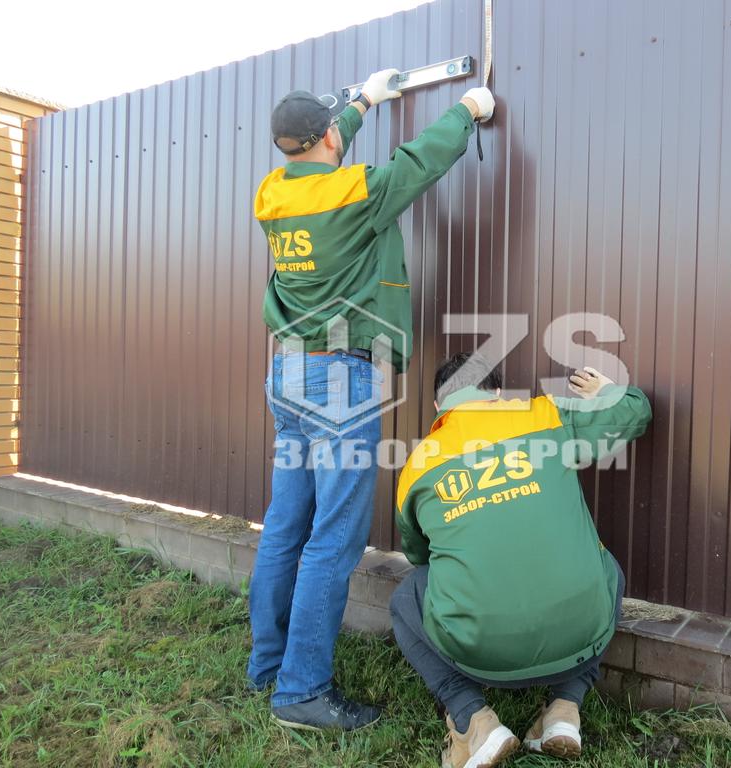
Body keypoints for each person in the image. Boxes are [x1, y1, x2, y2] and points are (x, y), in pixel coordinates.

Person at [247, 70, 496, 732]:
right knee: (334, 537)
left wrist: (363, 101)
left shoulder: (272, 194)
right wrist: (467, 109)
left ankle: (268, 665)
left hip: (289, 373)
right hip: (339, 382)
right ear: (326, 139)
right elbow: (417, 164)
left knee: (286, 525)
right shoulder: (357, 194)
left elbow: (325, 155)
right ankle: (301, 691)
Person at [390, 353, 652, 768]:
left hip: (479, 650)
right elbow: (635, 411)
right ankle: (565, 707)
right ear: (496, 392)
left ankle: (473, 719)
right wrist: (605, 391)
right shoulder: (545, 415)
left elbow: (419, 555)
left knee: (406, 599)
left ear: (439, 406)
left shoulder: (417, 464)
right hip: (578, 631)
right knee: (606, 572)